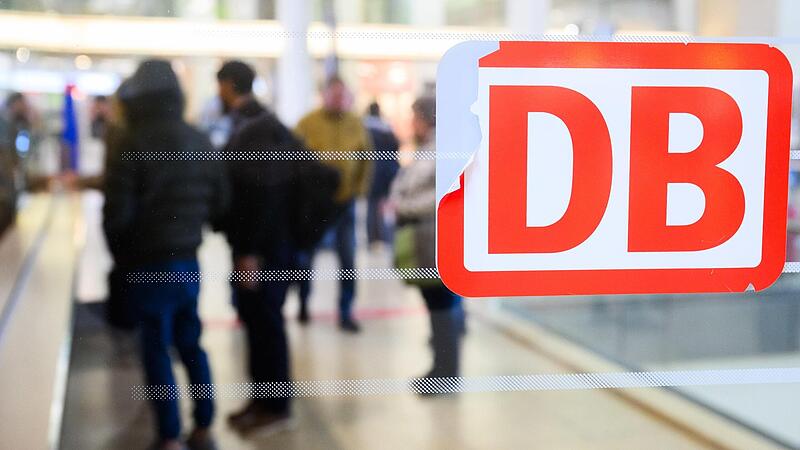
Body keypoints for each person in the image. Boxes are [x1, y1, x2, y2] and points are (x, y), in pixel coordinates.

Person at [103, 59, 229, 450]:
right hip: (188, 260)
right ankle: (205, 426)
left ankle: (169, 435)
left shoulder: (131, 142)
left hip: (146, 263)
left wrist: (123, 260)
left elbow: (116, 215)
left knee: (156, 348)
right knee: (191, 341)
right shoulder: (197, 138)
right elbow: (222, 200)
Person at [216, 61, 298, 434]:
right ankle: (262, 400)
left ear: (229, 85)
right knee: (258, 322)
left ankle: (274, 406)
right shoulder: (262, 123)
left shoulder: (254, 128)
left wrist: (249, 252)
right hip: (269, 245)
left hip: (265, 249)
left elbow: (261, 195)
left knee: (265, 323)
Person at [391, 96, 465, 381]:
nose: (412, 123)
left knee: (442, 303)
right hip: (423, 235)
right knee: (435, 303)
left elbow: (443, 192)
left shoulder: (442, 149)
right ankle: (441, 366)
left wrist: (405, 205)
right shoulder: (426, 149)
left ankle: (445, 371)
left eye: (415, 117)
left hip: (436, 236)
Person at [295, 75, 373, 332]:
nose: (340, 100)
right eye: (335, 95)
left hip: (344, 203)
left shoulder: (356, 123)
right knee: (307, 258)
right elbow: (294, 161)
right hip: (314, 206)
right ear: (324, 95)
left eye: (344, 96)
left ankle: (345, 311)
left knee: (348, 259)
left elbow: (367, 159)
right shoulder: (307, 124)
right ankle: (304, 304)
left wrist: (359, 190)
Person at [364, 101, 400, 248]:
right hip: (387, 172)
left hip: (371, 172)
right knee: (386, 205)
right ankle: (386, 237)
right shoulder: (386, 128)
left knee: (371, 206)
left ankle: (372, 239)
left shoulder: (364, 128)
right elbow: (396, 147)